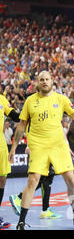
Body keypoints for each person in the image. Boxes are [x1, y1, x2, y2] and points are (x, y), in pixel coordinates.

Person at [8, 71, 74, 230]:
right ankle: (21, 222)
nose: (44, 82)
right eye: (41, 79)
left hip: (58, 145)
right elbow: (22, 125)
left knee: (70, 179)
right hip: (38, 145)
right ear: (38, 82)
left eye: (47, 79)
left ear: (52, 81)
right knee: (33, 180)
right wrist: (14, 148)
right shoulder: (30, 101)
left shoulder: (61, 99)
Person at [0, 94, 21, 230]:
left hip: (0, 144)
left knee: (2, 179)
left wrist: (29, 113)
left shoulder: (1, 98)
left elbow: (14, 116)